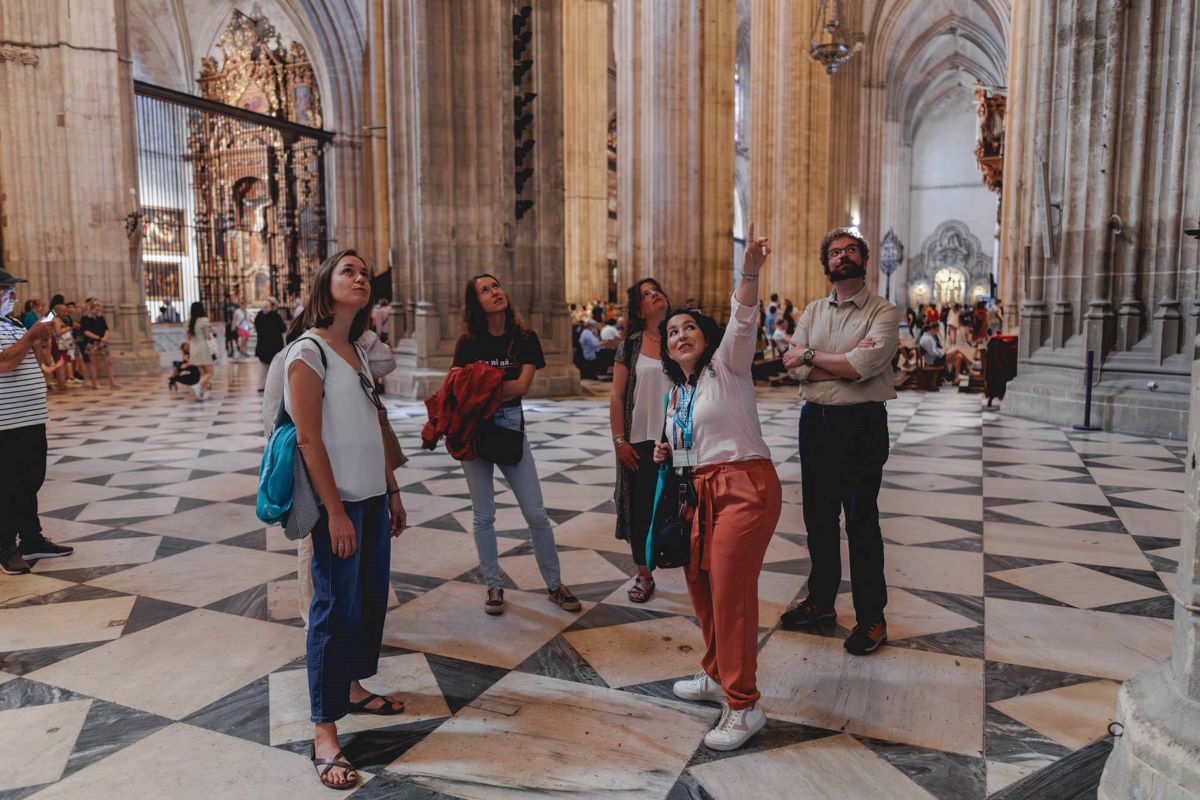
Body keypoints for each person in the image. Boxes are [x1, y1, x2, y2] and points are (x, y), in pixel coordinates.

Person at [653, 222, 782, 752]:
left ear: (705, 337)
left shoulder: (728, 367)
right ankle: (714, 672)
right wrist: (669, 452)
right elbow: (688, 444)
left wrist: (749, 270)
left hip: (745, 488)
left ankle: (743, 704)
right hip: (697, 491)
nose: (679, 335)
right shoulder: (675, 394)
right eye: (671, 331)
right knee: (700, 585)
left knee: (730, 591)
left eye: (688, 328)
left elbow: (745, 317)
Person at [282, 249, 408, 790]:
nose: (360, 278)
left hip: (373, 497)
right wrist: (335, 512)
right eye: (347, 271)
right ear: (324, 284)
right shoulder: (307, 352)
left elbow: (373, 424)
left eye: (363, 273)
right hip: (339, 503)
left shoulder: (356, 350)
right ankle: (324, 728)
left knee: (368, 599)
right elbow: (308, 438)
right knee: (332, 611)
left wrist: (393, 490)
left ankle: (352, 688)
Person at [778, 227, 899, 656]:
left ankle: (872, 619)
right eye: (834, 252)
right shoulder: (812, 310)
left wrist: (813, 358)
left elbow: (864, 364)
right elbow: (792, 366)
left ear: (865, 261)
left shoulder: (883, 311)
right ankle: (821, 601)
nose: (841, 256)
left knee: (861, 522)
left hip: (862, 425)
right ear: (825, 263)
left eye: (850, 250)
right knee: (818, 519)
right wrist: (840, 365)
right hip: (816, 423)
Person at [452, 273, 581, 616]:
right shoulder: (468, 343)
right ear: (475, 302)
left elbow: (522, 387)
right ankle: (494, 585)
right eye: (485, 290)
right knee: (484, 515)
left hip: (510, 428)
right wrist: (491, 387)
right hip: (474, 431)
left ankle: (554, 584)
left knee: (536, 514)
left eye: (496, 285)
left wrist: (480, 387)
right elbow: (457, 390)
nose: (495, 292)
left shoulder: (524, 338)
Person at [0, 267, 74, 575]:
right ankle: (5, 546)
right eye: (5, 291)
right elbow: (4, 364)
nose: (12, 296)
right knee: (8, 485)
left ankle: (31, 538)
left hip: (29, 419)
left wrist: (41, 341)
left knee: (31, 480)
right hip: (5, 424)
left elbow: (36, 360)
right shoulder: (20, 329)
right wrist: (32, 335)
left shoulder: (14, 324)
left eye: (12, 291)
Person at [610, 277, 671, 604]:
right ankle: (644, 574)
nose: (654, 295)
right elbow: (618, 397)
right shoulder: (630, 345)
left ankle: (688, 566)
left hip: (677, 440)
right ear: (639, 308)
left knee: (682, 507)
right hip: (640, 440)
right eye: (646, 294)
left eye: (656, 290)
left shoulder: (681, 336)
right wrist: (620, 441)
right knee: (641, 508)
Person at [80, 300, 120, 390]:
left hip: (103, 342)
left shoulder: (100, 318)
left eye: (99, 307)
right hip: (92, 343)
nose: (98, 309)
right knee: (93, 363)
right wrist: (98, 338)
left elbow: (106, 329)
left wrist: (105, 338)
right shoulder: (86, 318)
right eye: (96, 307)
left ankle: (112, 382)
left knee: (109, 362)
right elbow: (86, 331)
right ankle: (95, 382)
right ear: (91, 308)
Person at [254, 297, 286, 392]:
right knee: (275, 367)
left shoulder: (259, 316)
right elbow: (283, 328)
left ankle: (261, 385)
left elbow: (256, 327)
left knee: (263, 367)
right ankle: (275, 385)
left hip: (262, 345)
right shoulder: (275, 316)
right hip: (274, 346)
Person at [186, 301, 215, 400]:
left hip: (193, 348)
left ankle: (201, 394)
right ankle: (197, 386)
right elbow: (208, 336)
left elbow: (189, 337)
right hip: (203, 348)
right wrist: (210, 330)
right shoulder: (204, 320)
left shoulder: (189, 322)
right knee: (210, 372)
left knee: (202, 372)